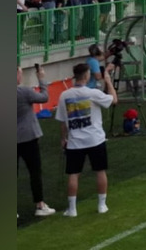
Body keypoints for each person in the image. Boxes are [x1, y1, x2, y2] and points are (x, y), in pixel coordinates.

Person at [55, 61, 118, 216]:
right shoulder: (92, 93)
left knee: (73, 174)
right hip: (95, 139)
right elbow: (113, 100)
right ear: (86, 76)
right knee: (100, 171)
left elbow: (63, 121)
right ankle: (102, 205)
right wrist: (108, 81)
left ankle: (72, 208)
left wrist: (63, 138)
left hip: (75, 141)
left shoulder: (64, 95)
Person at [17, 64, 56, 218]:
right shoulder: (24, 92)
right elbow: (44, 97)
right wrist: (42, 79)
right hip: (28, 137)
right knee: (35, 171)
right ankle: (39, 204)